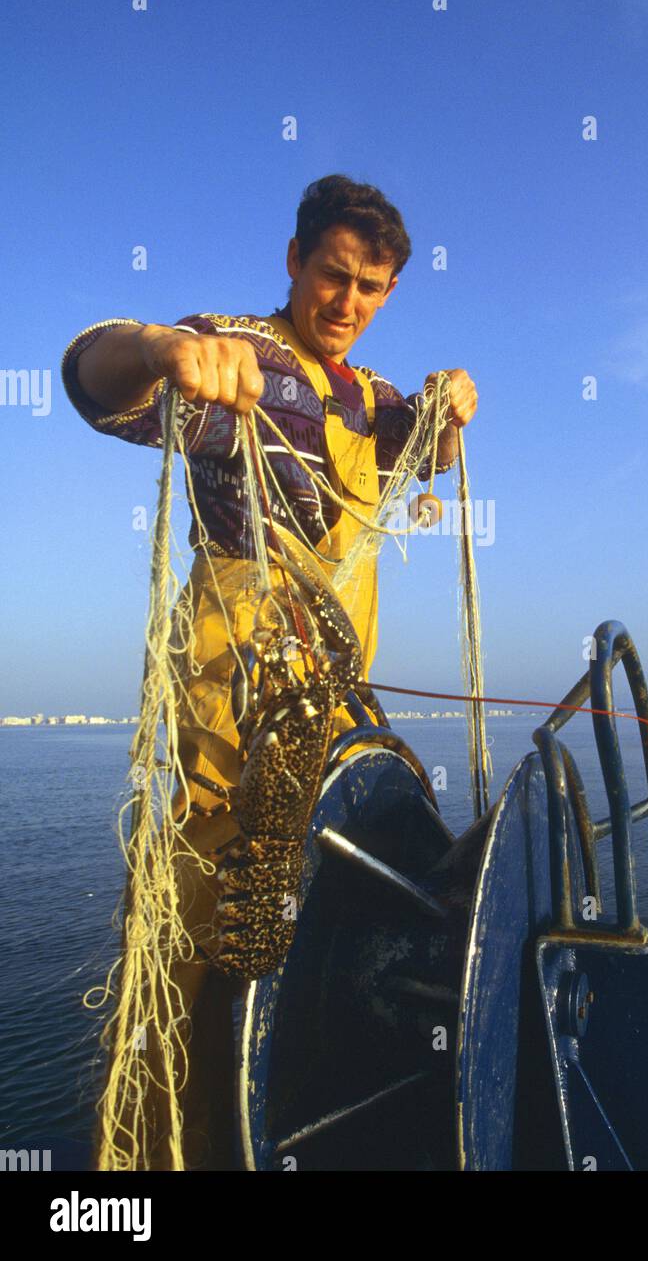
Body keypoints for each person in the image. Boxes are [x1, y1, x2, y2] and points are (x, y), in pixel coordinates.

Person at [62, 174, 478, 1168]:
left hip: (331, 707)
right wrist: (163, 350)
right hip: (236, 695)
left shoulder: (375, 399)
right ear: (294, 262)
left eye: (372, 288)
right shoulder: (238, 351)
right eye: (334, 275)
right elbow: (90, 377)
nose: (348, 302)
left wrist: (450, 411)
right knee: (204, 917)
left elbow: (430, 457)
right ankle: (169, 1150)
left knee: (326, 908)